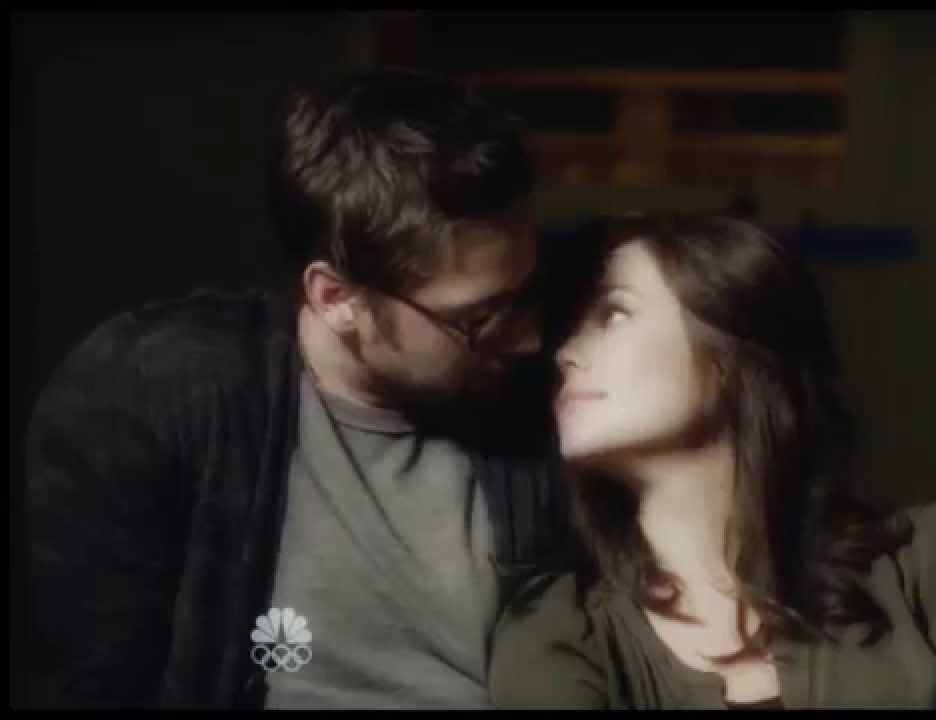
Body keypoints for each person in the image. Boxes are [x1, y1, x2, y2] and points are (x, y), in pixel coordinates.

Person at [23, 67, 569, 709]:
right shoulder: (155, 394)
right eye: (479, 318)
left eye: (526, 296)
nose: (528, 340)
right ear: (336, 298)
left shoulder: (536, 402)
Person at [489, 214, 936, 709]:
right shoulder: (557, 629)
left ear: (731, 348)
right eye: (567, 330)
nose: (564, 354)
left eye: (614, 313)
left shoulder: (932, 564)